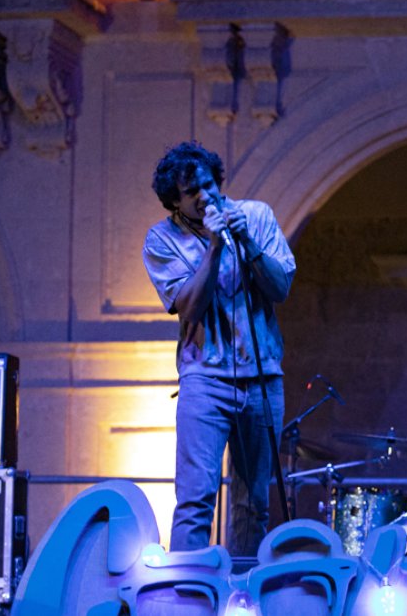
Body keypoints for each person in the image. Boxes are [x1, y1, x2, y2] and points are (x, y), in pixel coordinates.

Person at [142, 141, 296, 556]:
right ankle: (186, 588)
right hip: (205, 381)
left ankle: (242, 586)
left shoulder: (256, 216)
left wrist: (247, 243)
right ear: (174, 202)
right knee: (195, 501)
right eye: (192, 192)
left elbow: (280, 288)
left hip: (263, 378)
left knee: (254, 503)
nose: (205, 196)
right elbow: (190, 306)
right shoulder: (162, 240)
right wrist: (214, 246)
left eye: (209, 184)